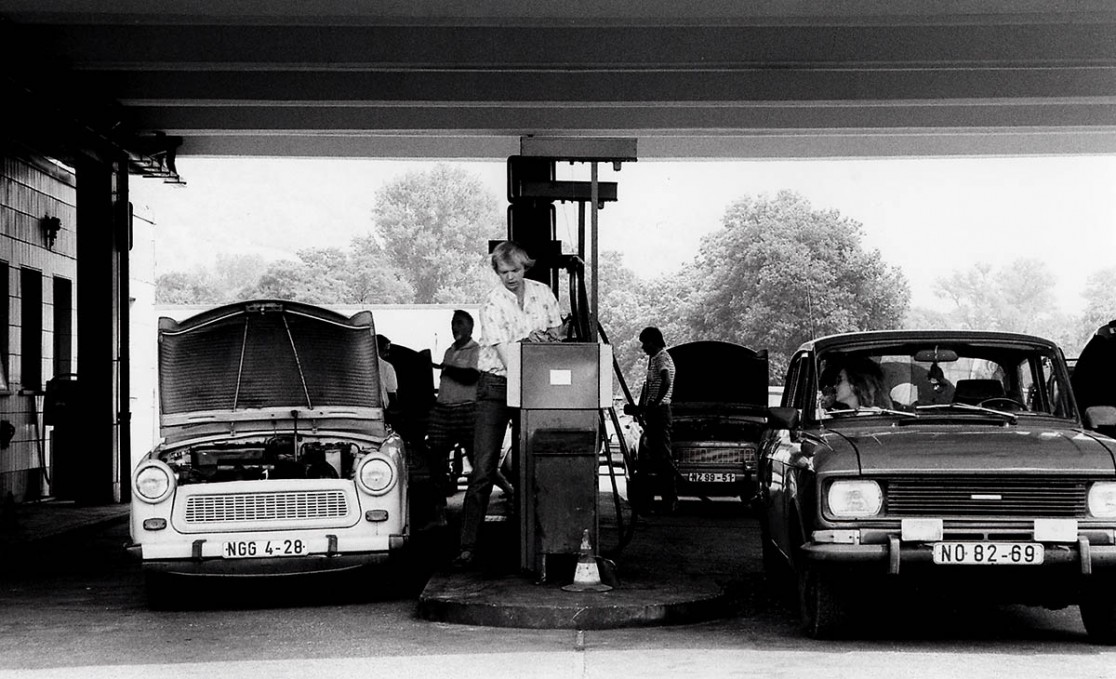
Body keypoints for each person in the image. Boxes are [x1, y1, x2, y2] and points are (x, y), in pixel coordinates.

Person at [453, 241, 563, 569]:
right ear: (496, 272)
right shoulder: (492, 302)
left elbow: (558, 335)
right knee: (484, 467)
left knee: (537, 462)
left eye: (515, 270)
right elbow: (507, 357)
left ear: (525, 267)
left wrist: (537, 343)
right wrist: (533, 341)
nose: (510, 277)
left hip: (536, 383)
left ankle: (541, 541)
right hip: (498, 385)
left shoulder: (543, 293)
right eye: (504, 272)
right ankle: (467, 546)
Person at [636, 326, 678, 515]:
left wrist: (655, 403)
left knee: (662, 459)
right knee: (647, 458)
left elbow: (666, 381)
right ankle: (649, 501)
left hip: (660, 413)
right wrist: (642, 406)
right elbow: (648, 386)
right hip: (654, 413)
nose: (644, 347)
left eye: (646, 343)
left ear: (654, 341)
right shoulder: (653, 360)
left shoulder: (662, 358)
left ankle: (669, 501)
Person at [821, 356, 891, 411]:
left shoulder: (876, 413)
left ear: (855, 384)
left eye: (839, 380)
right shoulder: (832, 417)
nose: (834, 386)